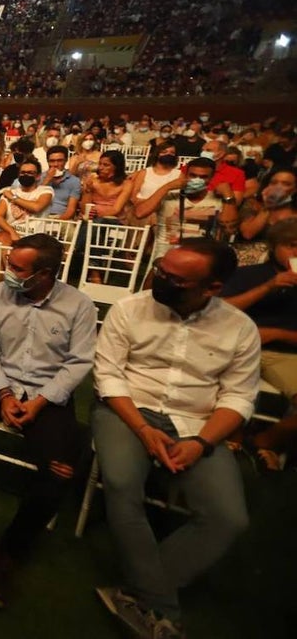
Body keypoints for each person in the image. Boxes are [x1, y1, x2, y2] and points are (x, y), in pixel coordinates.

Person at [93, 239, 258, 639]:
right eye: (161, 270)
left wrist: (201, 443)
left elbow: (238, 397)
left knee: (228, 518)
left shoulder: (239, 329)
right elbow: (109, 376)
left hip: (198, 423)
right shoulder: (129, 309)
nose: (160, 280)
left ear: (212, 287)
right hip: (129, 410)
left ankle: (138, 590)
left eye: (176, 280)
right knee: (122, 484)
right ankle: (163, 607)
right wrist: (143, 429)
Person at [0, 234, 96, 607]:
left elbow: (78, 363)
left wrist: (40, 402)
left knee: (61, 472)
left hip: (48, 395)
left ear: (44, 274)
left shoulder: (79, 305)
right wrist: (4, 395)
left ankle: (7, 552)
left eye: (16, 268)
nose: (7, 271)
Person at [220, 218, 297, 470]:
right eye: (292, 245)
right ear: (274, 246)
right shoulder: (251, 274)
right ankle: (232, 437)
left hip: (284, 354)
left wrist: (277, 334)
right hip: (237, 347)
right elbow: (218, 310)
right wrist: (268, 287)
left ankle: (265, 441)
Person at [0, 158, 53, 246]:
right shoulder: (9, 191)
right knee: (1, 237)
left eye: (30, 173)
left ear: (38, 176)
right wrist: (12, 232)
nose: (26, 175)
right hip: (10, 233)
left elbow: (36, 207)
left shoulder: (45, 191)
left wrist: (13, 198)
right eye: (23, 172)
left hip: (35, 236)